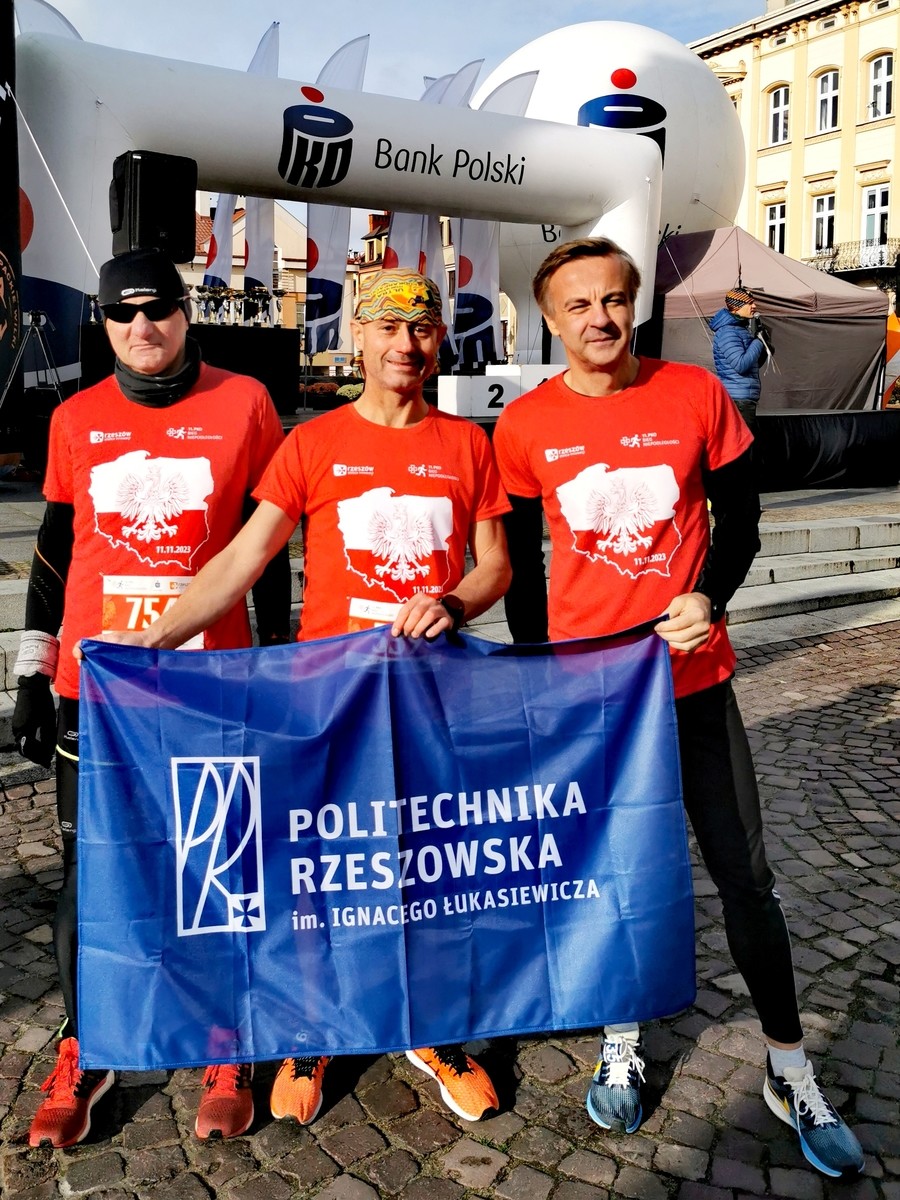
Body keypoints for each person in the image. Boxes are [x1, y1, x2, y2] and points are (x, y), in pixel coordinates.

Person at [89, 268, 512, 1128]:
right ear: (357, 336)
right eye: (387, 328)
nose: (404, 346)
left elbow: (496, 563)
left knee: (425, 866)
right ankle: (312, 1029)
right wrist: (158, 639)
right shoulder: (313, 443)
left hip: (427, 697)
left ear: (439, 340)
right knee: (323, 868)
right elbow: (244, 559)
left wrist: (454, 601)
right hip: (328, 702)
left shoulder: (468, 443)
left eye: (421, 329)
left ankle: (427, 1029)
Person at [491, 237, 865, 1182]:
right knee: (618, 875)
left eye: (614, 299)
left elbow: (742, 520)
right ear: (551, 320)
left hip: (695, 683)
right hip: (597, 697)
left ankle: (789, 1067)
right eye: (578, 305)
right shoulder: (525, 424)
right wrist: (544, 674)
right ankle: (623, 1036)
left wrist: (712, 597)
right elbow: (526, 568)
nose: (600, 318)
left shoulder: (695, 394)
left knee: (746, 879)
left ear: (636, 304)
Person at [13, 247, 292, 1148]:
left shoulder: (246, 403)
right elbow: (55, 548)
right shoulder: (76, 416)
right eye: (123, 313)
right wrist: (31, 669)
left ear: (185, 311)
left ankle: (224, 1039)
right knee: (91, 873)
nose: (143, 327)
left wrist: (274, 664)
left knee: (217, 865)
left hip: (211, 684)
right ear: (103, 323)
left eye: (159, 309)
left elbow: (266, 548)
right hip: (98, 687)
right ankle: (87, 1044)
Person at [709, 286, 771, 435]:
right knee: (743, 446)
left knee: (743, 444)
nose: (754, 306)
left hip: (743, 398)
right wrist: (758, 342)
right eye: (749, 303)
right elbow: (741, 365)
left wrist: (765, 347)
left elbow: (752, 364)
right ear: (736, 307)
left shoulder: (739, 330)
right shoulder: (728, 332)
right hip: (737, 401)